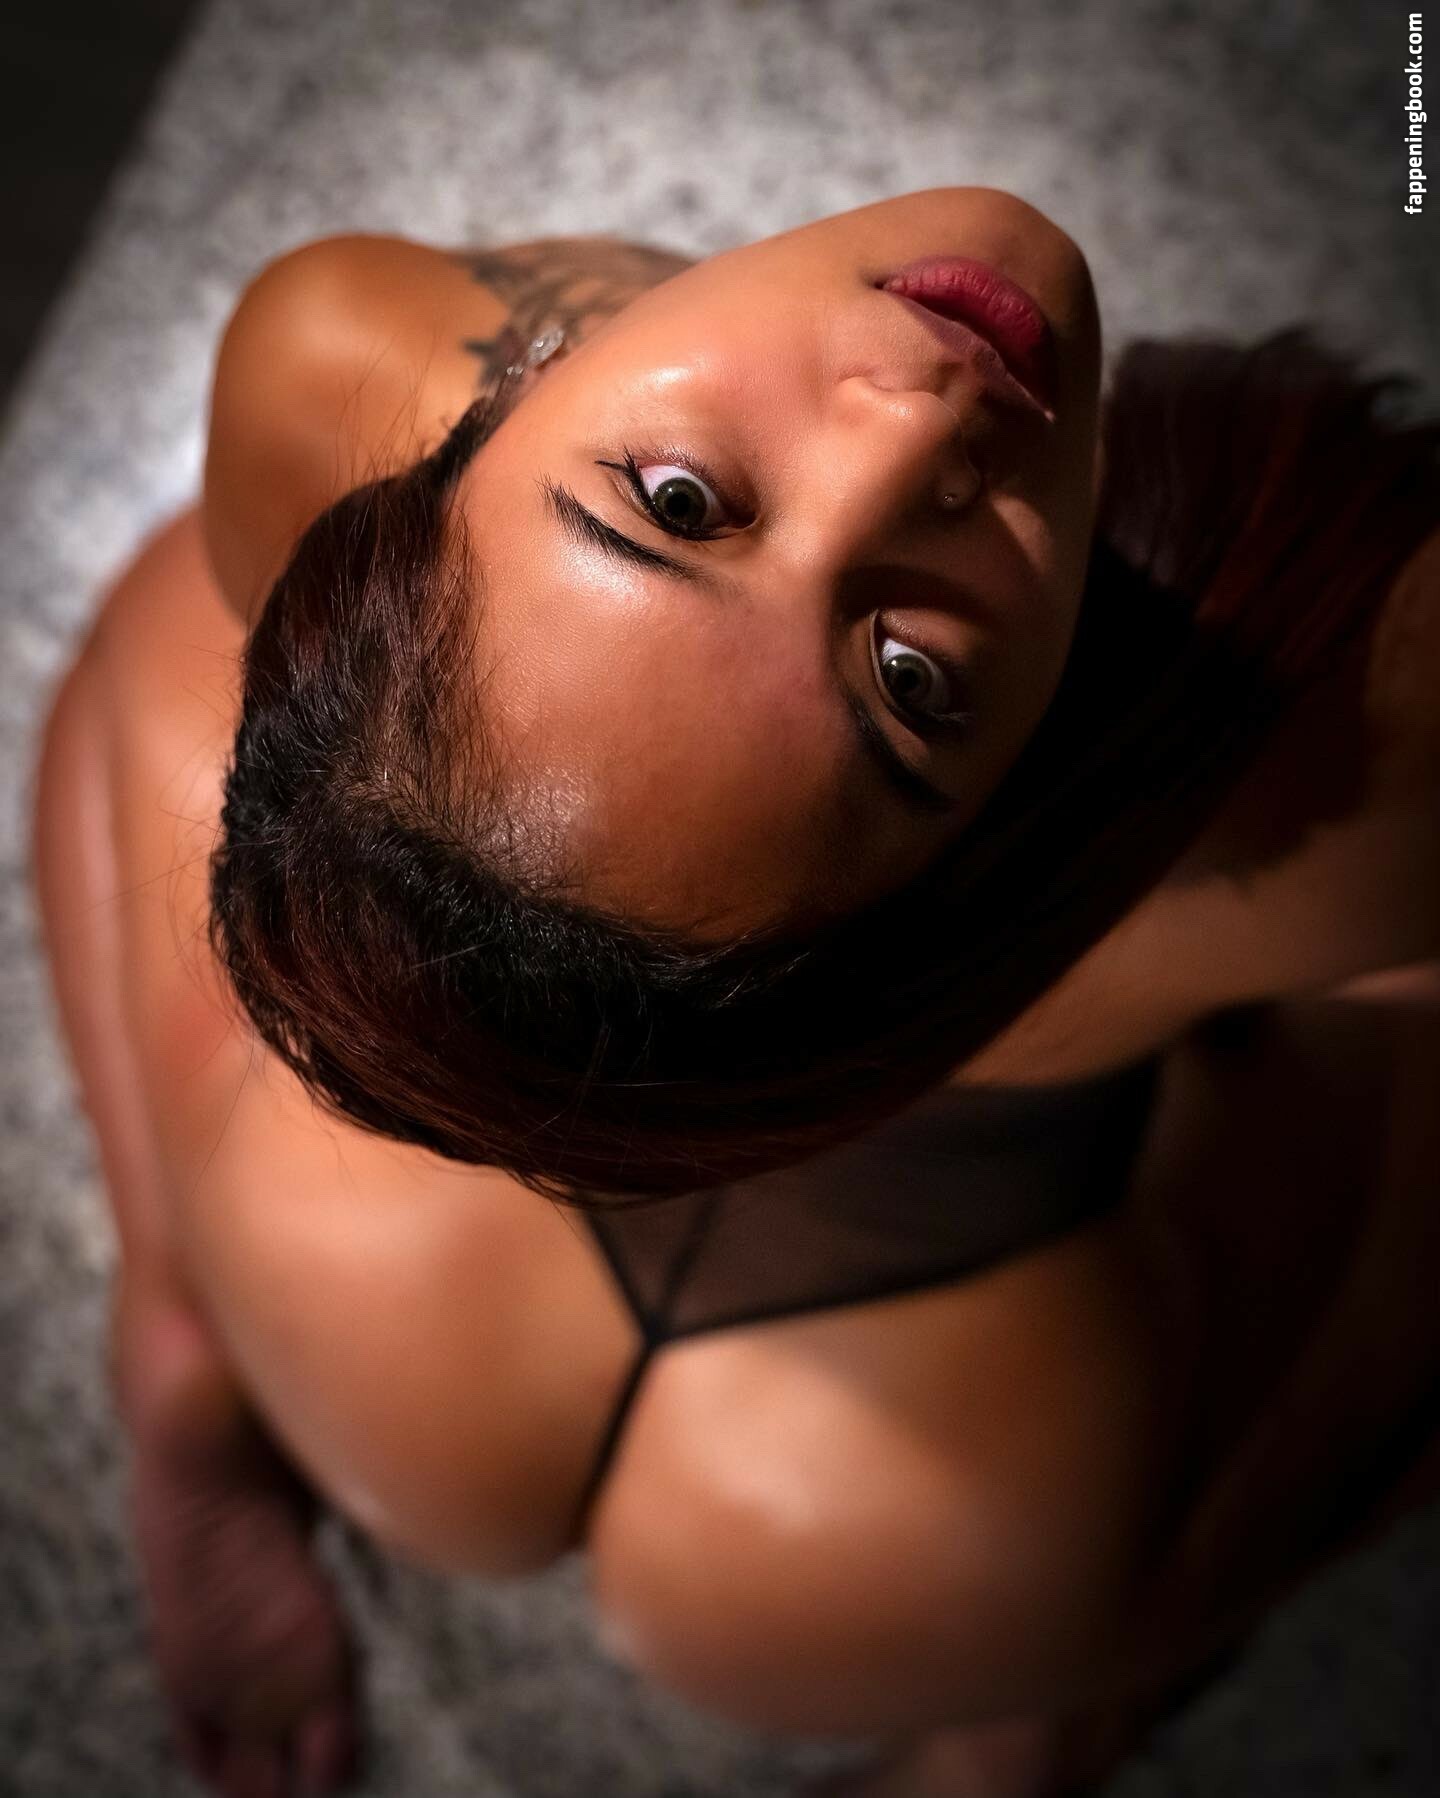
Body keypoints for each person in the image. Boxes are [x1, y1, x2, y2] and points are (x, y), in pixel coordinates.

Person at [28, 188, 1440, 1798]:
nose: (914, 422)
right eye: (908, 680)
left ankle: (180, 1330)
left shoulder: (327, 359)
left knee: (184, 609)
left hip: (362, 1300)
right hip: (916, 1526)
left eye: (684, 503)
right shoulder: (1316, 759)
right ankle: (1037, 1723)